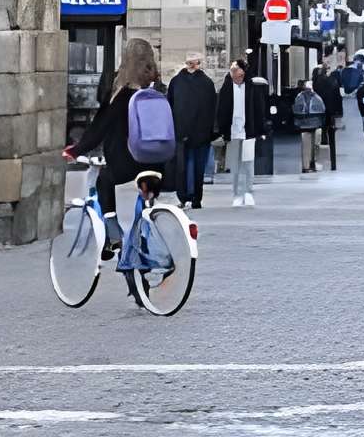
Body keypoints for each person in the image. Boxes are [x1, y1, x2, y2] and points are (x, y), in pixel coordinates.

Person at [65, 36, 169, 304]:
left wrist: (75, 150)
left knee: (104, 180)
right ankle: (139, 277)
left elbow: (100, 128)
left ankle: (112, 233)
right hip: (156, 163)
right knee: (140, 214)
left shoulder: (122, 94)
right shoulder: (157, 90)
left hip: (126, 163)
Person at [167, 53, 218, 209]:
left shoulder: (206, 83)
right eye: (189, 63)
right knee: (183, 167)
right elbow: (171, 105)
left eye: (194, 63)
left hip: (198, 132)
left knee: (196, 166)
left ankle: (195, 198)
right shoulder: (177, 82)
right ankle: (185, 197)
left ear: (199, 63)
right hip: (184, 131)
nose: (191, 66)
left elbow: (212, 108)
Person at [216, 55, 267, 206]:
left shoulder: (252, 88)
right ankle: (237, 193)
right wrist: (222, 129)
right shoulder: (226, 87)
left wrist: (260, 129)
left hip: (248, 130)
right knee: (235, 164)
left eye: (235, 69)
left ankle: (248, 191)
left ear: (242, 72)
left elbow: (259, 109)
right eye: (231, 69)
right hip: (233, 131)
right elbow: (222, 110)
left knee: (248, 163)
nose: (233, 72)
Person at [314, 54, 344, 170]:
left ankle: (321, 157)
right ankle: (331, 161)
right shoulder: (332, 81)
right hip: (330, 111)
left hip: (319, 112)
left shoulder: (316, 83)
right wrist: (339, 113)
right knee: (329, 133)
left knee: (319, 133)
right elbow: (338, 98)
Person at [291, 73, 325, 172]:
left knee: (306, 146)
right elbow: (322, 109)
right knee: (316, 144)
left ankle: (306, 166)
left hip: (304, 125)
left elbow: (295, 110)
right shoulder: (317, 97)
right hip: (316, 123)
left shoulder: (299, 97)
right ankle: (313, 162)